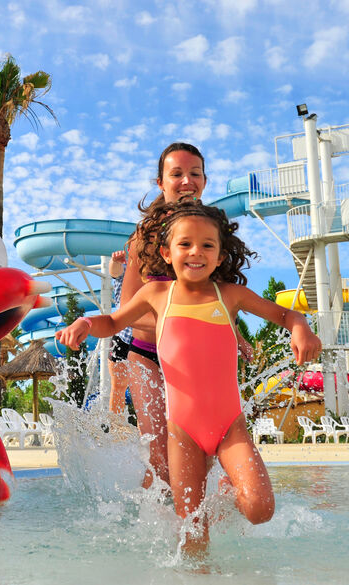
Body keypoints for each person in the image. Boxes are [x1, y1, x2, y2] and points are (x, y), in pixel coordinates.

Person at [56, 200, 321, 556]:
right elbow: (114, 322)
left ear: (220, 254)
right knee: (193, 536)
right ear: (166, 252)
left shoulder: (229, 295)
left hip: (230, 428)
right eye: (185, 244)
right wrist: (86, 323)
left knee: (260, 509)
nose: (196, 252)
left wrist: (301, 328)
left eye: (207, 245)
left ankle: (227, 492)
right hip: (183, 437)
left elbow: (286, 315)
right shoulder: (156, 295)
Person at [118, 142, 251, 489]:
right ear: (161, 183)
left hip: (201, 363)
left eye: (194, 173)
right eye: (176, 174)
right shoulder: (141, 240)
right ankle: (146, 526)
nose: (186, 180)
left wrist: (235, 334)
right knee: (161, 460)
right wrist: (173, 322)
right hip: (148, 357)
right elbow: (127, 310)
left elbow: (218, 302)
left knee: (199, 459)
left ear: (205, 181)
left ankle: (194, 530)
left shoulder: (211, 234)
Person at [106, 249, 130, 414]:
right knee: (118, 386)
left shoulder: (159, 272)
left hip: (148, 339)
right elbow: (114, 272)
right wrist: (115, 261)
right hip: (123, 336)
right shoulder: (126, 268)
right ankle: (116, 432)